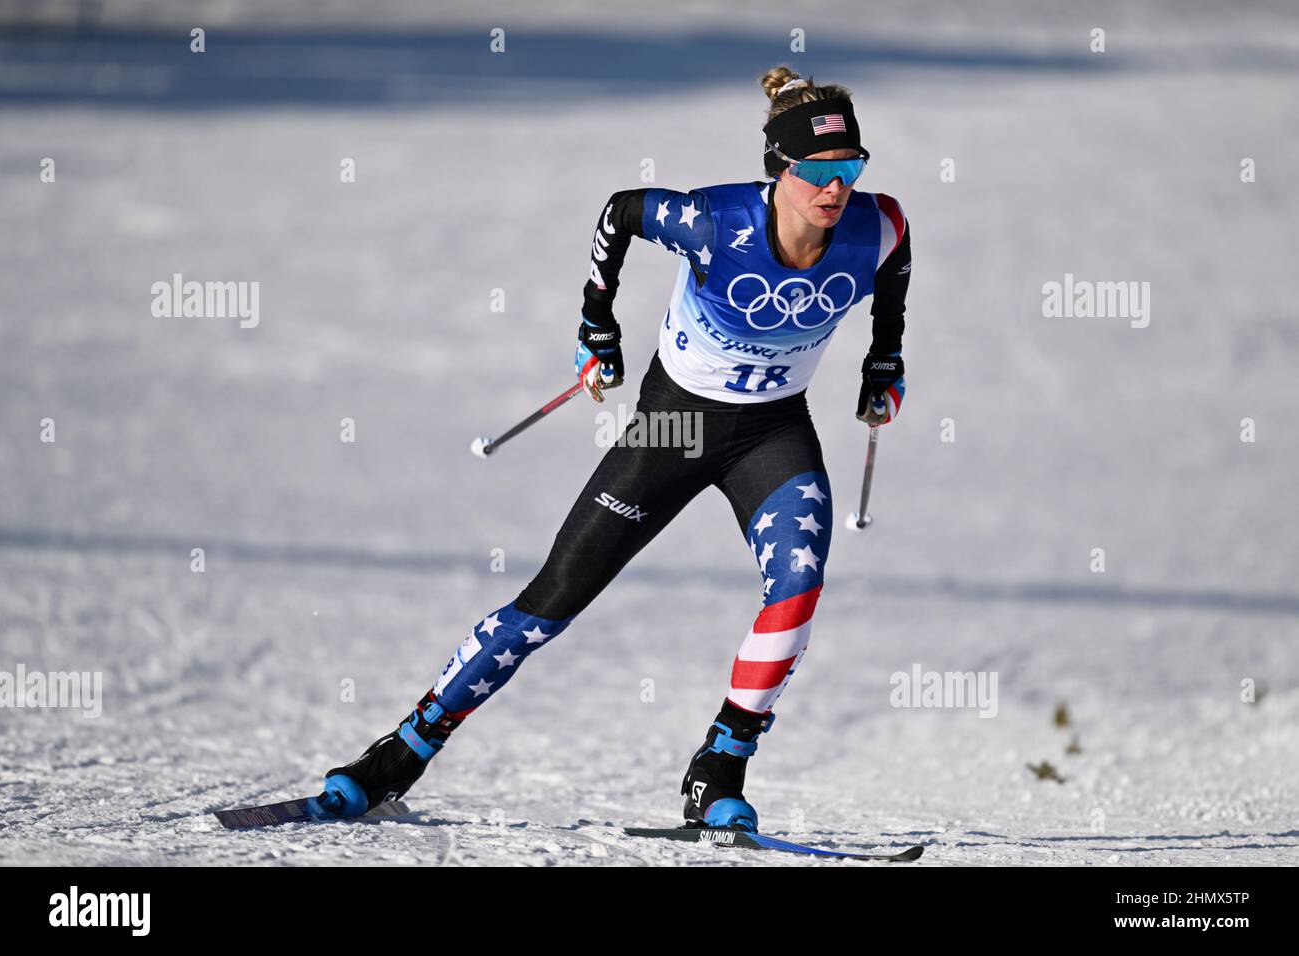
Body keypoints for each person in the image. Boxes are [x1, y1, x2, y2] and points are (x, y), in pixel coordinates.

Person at [317, 65, 912, 832]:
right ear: (779, 167)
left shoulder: (878, 224)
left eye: (850, 167)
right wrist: (597, 327)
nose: (836, 189)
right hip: (675, 426)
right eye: (818, 170)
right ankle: (398, 754)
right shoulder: (711, 220)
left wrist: (884, 360)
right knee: (551, 604)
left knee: (797, 586)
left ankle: (719, 768)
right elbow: (620, 212)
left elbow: (894, 272)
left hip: (772, 432)